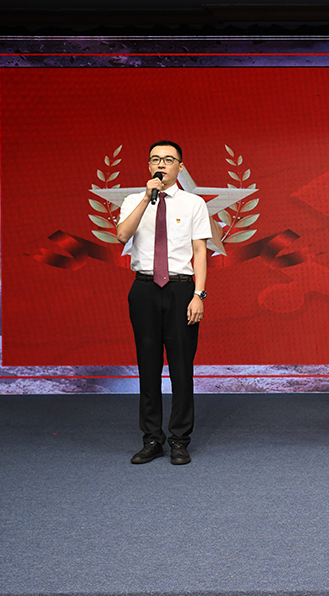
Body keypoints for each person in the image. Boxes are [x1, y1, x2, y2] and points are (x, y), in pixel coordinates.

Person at [116, 140, 211, 466]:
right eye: (155, 159)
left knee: (182, 368)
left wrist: (199, 294)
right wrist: (147, 198)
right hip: (144, 289)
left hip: (181, 289)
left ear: (180, 167)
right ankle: (152, 439)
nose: (161, 164)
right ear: (148, 165)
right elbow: (121, 235)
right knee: (148, 366)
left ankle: (179, 439)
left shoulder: (193, 203)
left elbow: (200, 251)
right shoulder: (134, 200)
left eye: (169, 160)